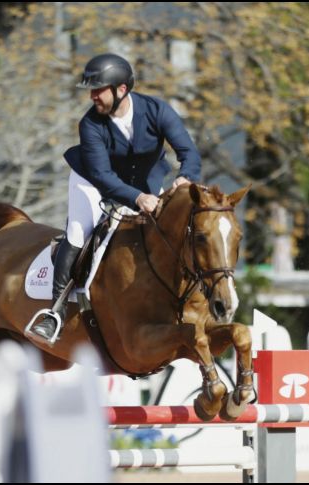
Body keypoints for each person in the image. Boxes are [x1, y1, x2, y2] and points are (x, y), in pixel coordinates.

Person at [28, 53, 202, 343]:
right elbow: (103, 176)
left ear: (121, 90)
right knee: (79, 232)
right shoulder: (90, 125)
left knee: (170, 230)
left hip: (145, 181)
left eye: (99, 90)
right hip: (93, 181)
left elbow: (189, 152)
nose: (93, 96)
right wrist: (138, 198)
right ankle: (55, 312)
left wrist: (185, 177)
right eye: (91, 91)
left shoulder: (157, 110)